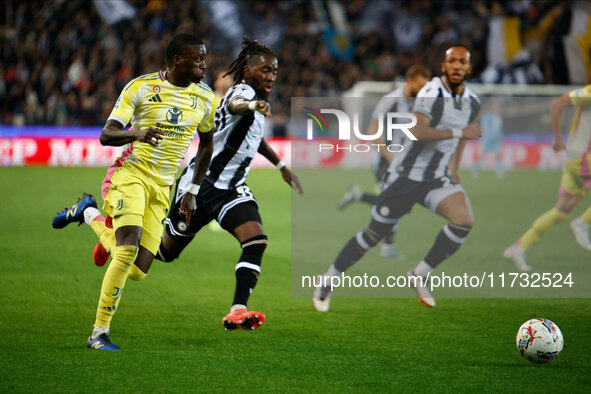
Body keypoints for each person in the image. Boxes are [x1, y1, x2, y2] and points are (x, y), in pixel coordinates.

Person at [109, 38, 302, 330]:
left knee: (256, 241)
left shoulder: (258, 102)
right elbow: (237, 106)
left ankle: (237, 310)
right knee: (163, 254)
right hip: (203, 184)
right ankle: (104, 232)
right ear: (247, 71)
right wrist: (252, 104)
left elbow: (253, 137)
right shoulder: (243, 92)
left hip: (233, 189)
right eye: (265, 70)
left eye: (274, 71)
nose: (271, 76)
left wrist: (280, 165)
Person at [51, 33, 216, 350]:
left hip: (163, 184)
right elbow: (106, 134)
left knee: (139, 270)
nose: (204, 65)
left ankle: (87, 213)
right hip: (130, 173)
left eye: (204, 59)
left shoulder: (206, 98)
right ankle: (99, 334)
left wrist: (192, 189)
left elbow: (207, 144)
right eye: (198, 59)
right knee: (125, 250)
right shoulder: (141, 87)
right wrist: (136, 133)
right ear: (176, 61)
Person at [313, 44, 482, 311]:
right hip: (405, 175)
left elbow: (464, 135)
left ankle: (420, 273)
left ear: (469, 68)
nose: (457, 66)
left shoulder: (473, 102)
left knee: (463, 221)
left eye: (463, 61)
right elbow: (418, 131)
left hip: (436, 177)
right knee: (373, 235)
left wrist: (455, 166)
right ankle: (328, 278)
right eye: (452, 61)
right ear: (444, 66)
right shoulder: (430, 92)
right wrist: (459, 133)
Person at [338, 65, 431, 259]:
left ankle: (359, 195)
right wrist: (391, 158)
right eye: (420, 86)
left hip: (402, 161)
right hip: (384, 160)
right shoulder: (390, 101)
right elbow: (372, 133)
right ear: (409, 81)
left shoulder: (419, 103)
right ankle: (387, 247)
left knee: (397, 203)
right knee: (394, 202)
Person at [503, 87, 591, 271]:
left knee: (562, 210)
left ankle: (518, 247)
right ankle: (583, 222)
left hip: (577, 159)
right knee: (567, 213)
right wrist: (558, 138)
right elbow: (557, 104)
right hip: (583, 157)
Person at [473, 103, 504, 178]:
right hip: (486, 140)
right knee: (481, 155)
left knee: (497, 156)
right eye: (496, 108)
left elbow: (499, 130)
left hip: (495, 141)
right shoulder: (486, 117)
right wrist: (490, 136)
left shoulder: (498, 117)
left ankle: (499, 172)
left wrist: (499, 138)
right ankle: (476, 170)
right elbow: (485, 128)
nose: (497, 109)